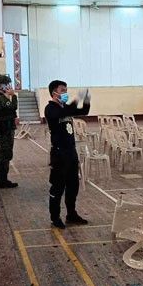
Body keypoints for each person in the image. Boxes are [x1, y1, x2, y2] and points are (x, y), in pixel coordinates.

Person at [45, 80, 91, 229]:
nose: (65, 93)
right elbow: (63, 112)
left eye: (66, 90)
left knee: (73, 185)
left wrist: (86, 99)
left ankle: (71, 214)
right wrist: (77, 99)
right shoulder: (51, 109)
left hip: (71, 152)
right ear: (54, 93)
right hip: (59, 154)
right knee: (58, 187)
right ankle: (55, 217)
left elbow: (83, 111)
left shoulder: (64, 107)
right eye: (62, 90)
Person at [0, 75, 18, 188]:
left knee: (0, 155)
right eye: (7, 84)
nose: (9, 86)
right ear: (1, 85)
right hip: (5, 131)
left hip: (3, 129)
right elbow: (13, 107)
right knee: (5, 155)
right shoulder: (0, 98)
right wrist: (13, 96)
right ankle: (3, 180)